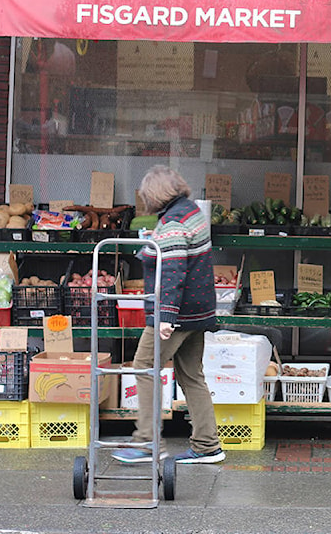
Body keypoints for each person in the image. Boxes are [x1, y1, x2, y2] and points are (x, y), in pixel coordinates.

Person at [113, 165, 224, 464]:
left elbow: (174, 272)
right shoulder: (190, 212)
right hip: (198, 310)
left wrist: (165, 317)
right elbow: (177, 253)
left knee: (144, 365)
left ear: (155, 194)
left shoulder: (174, 221)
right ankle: (207, 445)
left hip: (178, 313)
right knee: (191, 375)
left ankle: (147, 442)